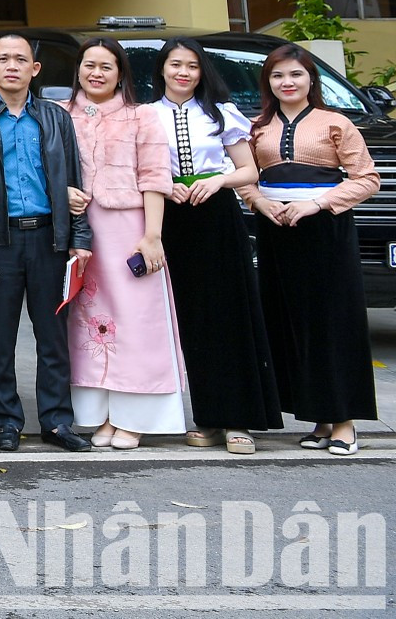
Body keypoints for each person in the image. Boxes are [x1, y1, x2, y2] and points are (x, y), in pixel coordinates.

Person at [247, 43, 380, 456]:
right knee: (291, 322)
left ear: (311, 80)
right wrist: (261, 203)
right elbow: (245, 175)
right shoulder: (256, 127)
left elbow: (367, 179)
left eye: (295, 75)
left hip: (326, 230)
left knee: (332, 322)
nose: (287, 82)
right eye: (278, 76)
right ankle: (319, 418)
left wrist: (316, 204)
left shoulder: (335, 122)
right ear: (268, 82)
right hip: (276, 231)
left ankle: (344, 421)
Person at [150, 38, 279, 455]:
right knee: (189, 319)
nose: (183, 73)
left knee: (227, 314)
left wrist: (217, 180)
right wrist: (165, 187)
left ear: (202, 72)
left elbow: (249, 170)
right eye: (175, 65)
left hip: (217, 218)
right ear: (162, 70)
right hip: (167, 217)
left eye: (192, 66)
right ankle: (207, 418)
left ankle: (237, 420)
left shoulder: (222, 113)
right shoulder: (145, 116)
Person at [0, 33, 94, 453]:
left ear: (34, 69)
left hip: (49, 238)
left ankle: (57, 421)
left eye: (20, 59)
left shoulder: (57, 117)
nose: (11, 65)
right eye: (2, 59)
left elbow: (75, 181)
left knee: (53, 337)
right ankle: (6, 421)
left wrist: (79, 238)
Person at [64, 37, 179, 448]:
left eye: (106, 67)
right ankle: (100, 416)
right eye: (89, 65)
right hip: (78, 230)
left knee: (135, 320)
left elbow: (154, 178)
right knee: (86, 322)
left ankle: (134, 416)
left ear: (120, 74)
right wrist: (63, 192)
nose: (96, 73)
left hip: (128, 227)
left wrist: (152, 236)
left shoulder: (141, 116)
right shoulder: (60, 115)